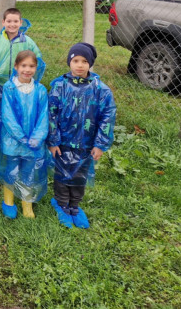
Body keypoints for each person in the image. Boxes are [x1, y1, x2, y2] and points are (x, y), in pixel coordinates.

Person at [48, 43, 117, 229]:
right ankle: (61, 204)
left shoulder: (101, 90)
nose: (80, 65)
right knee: (62, 175)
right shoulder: (59, 86)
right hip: (63, 143)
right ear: (69, 62)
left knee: (79, 176)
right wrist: (53, 141)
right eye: (75, 60)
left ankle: (75, 206)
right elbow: (51, 114)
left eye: (85, 61)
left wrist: (100, 144)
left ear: (90, 64)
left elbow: (107, 117)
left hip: (86, 144)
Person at [0, 51, 49, 219]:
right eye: (23, 66)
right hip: (12, 140)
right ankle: (8, 202)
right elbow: (8, 115)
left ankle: (27, 203)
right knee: (10, 170)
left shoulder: (40, 90)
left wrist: (37, 137)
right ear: (16, 67)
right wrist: (21, 137)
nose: (27, 69)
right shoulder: (9, 88)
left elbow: (43, 116)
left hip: (33, 142)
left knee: (28, 171)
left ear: (36, 68)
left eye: (31, 66)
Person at [0, 8, 45, 89]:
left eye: (16, 21)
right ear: (3, 22)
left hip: (20, 84)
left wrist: (28, 73)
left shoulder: (27, 42)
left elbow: (38, 58)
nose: (12, 24)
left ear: (20, 23)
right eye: (9, 21)